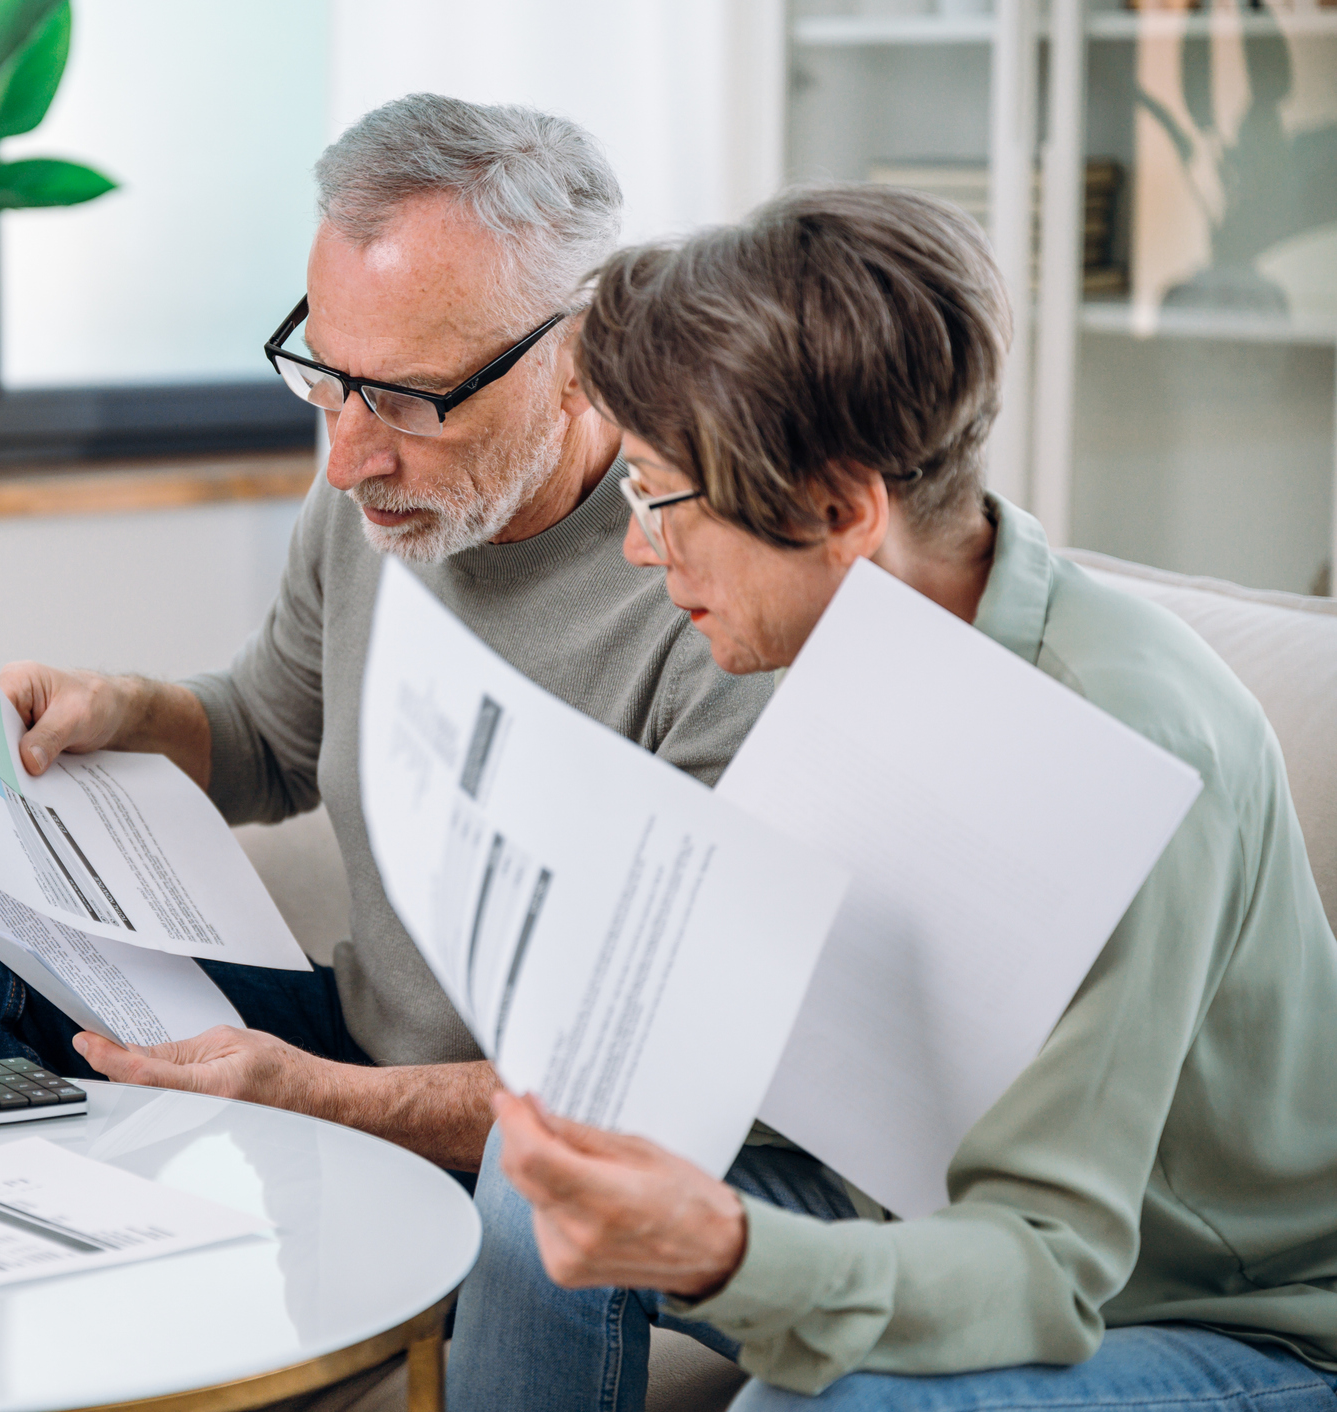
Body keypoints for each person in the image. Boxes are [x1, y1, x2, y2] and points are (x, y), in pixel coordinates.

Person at [450, 182, 1337, 1409]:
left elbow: (1047, 1263)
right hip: (917, 1197)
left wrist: (723, 1249)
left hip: (1221, 1313)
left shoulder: (1114, 746)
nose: (637, 546)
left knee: (828, 1401)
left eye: (660, 495)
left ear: (839, 510)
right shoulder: (852, 634)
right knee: (530, 1174)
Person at [0, 93, 773, 1173]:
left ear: (580, 355)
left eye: (411, 400)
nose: (346, 462)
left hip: (535, 1137)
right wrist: (122, 710)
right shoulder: (377, 487)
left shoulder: (720, 585)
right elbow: (272, 737)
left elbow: (666, 1075)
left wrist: (322, 1100)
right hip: (353, 1042)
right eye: (326, 377)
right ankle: (5, 1270)